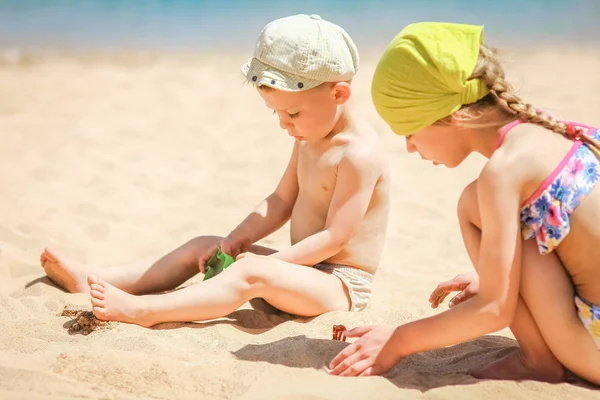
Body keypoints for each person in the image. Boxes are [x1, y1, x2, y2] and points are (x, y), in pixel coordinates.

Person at [39, 14, 390, 328]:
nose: (285, 124)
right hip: (303, 271)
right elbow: (282, 199)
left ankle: (143, 310)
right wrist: (237, 238)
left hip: (340, 285)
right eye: (277, 115)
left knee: (251, 270)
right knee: (206, 245)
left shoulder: (359, 154)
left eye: (293, 114)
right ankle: (97, 279)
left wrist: (276, 263)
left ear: (339, 94)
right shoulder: (308, 138)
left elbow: (335, 238)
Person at [328, 22, 600, 384]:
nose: (410, 147)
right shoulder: (560, 132)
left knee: (471, 205)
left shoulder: (503, 173)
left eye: (410, 131)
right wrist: (500, 275)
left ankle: (538, 360)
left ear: (451, 117)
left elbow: (492, 311)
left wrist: (397, 340)